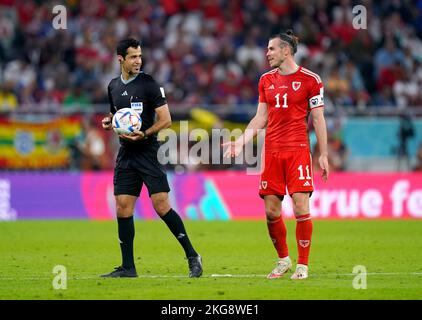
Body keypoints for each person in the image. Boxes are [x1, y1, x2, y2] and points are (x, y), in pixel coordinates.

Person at [223, 30, 329, 280]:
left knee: (301, 206)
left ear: (286, 51)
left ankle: (303, 265)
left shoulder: (311, 80)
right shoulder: (265, 80)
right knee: (271, 211)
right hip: (271, 151)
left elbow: (318, 118)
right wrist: (241, 142)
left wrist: (323, 154)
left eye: (271, 49)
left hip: (298, 151)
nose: (267, 53)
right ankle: (283, 260)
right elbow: (260, 118)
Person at [101, 38, 202, 278]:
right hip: (126, 154)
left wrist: (144, 134)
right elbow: (117, 115)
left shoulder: (148, 83)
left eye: (139, 56)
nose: (138, 60)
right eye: (133, 57)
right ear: (120, 60)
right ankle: (128, 267)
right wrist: (109, 122)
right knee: (123, 208)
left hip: (147, 152)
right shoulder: (113, 86)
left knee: (161, 205)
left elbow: (166, 119)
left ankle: (192, 256)